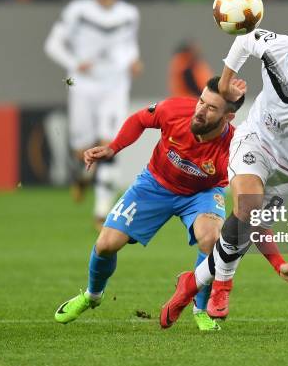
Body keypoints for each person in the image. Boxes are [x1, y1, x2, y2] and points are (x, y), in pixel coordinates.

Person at [160, 17, 288, 328]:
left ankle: (190, 284)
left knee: (246, 229)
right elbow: (245, 40)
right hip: (254, 140)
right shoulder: (279, 48)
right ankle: (222, 287)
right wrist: (227, 80)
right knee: (247, 207)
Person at [54, 77, 244, 331]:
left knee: (211, 240)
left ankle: (200, 310)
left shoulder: (235, 146)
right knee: (106, 244)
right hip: (155, 183)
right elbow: (140, 120)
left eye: (211, 108)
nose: (200, 110)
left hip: (203, 193)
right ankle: (92, 295)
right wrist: (113, 148)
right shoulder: (176, 110)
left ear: (228, 117)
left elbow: (246, 183)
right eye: (201, 101)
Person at [44, 0, 143, 229]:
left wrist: (133, 61)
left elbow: (128, 44)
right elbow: (52, 44)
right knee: (82, 150)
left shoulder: (129, 13)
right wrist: (76, 63)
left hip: (115, 86)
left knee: (108, 144)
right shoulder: (77, 10)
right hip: (83, 86)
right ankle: (82, 177)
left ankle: (102, 212)